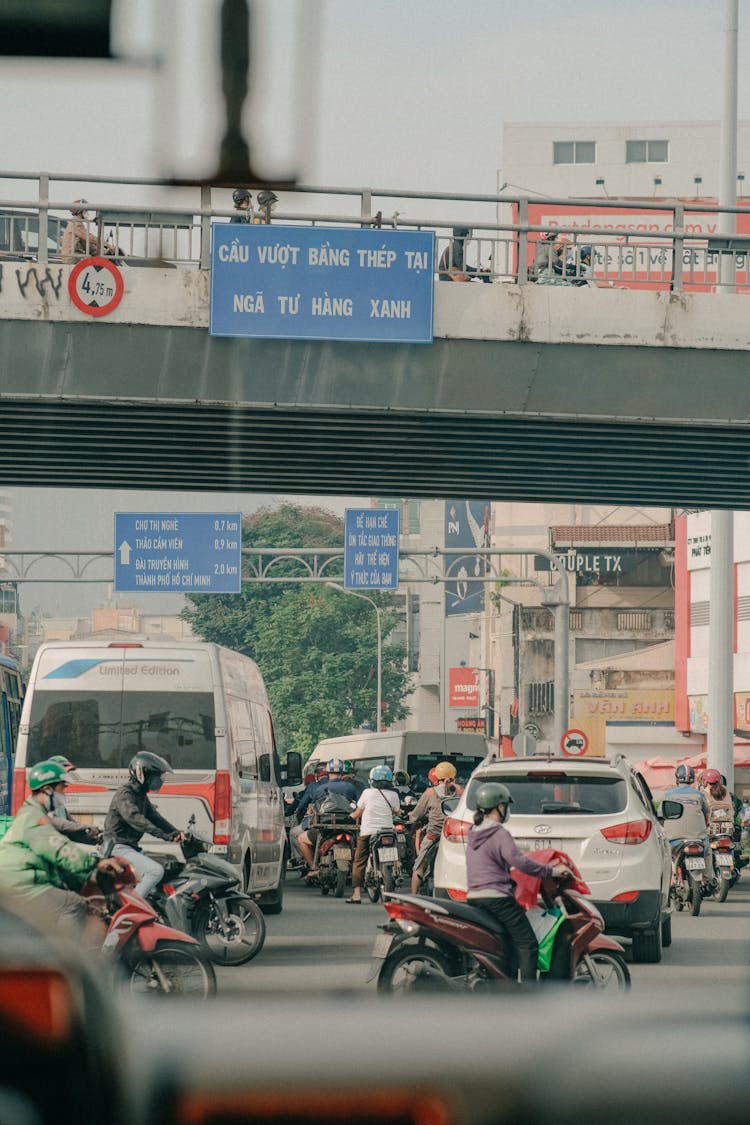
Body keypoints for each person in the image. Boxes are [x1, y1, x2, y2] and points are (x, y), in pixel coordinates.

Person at [0, 759, 124, 944]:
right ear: (47, 790)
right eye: (61, 789)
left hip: (27, 879)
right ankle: (66, 957)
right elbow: (59, 850)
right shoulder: (34, 819)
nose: (63, 794)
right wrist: (94, 864)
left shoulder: (36, 814)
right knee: (73, 903)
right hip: (18, 884)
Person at [466, 781, 570, 984]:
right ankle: (529, 995)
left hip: (475, 897)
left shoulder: (475, 832)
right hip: (497, 899)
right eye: (505, 806)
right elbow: (518, 861)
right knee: (528, 943)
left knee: (507, 942)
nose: (507, 810)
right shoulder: (498, 833)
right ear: (499, 807)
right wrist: (552, 870)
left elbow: (503, 856)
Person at [102, 751, 184, 899]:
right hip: (117, 847)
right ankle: (132, 908)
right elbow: (136, 819)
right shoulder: (125, 795)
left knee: (169, 866)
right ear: (143, 774)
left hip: (130, 848)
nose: (159, 780)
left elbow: (156, 818)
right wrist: (165, 836)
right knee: (155, 871)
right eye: (156, 776)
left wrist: (176, 832)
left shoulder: (141, 796)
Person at [293, 758, 359, 878]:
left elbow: (312, 808)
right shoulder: (350, 787)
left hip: (325, 829)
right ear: (342, 772)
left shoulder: (319, 789)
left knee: (301, 839)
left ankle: (314, 867)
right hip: (349, 827)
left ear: (328, 772)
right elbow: (358, 805)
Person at [346, 764, 401, 903]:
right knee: (394, 852)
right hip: (387, 831)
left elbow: (358, 812)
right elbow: (397, 812)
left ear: (372, 780)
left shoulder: (367, 793)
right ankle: (397, 869)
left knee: (359, 860)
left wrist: (350, 816)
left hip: (368, 832)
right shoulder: (394, 795)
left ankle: (357, 894)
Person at [408, 762, 463, 894]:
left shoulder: (430, 792)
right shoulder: (461, 791)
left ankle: (414, 897)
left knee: (419, 866)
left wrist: (411, 817)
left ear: (436, 777)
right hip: (452, 836)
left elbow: (416, 815)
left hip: (434, 835)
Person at [45, 754, 102, 845]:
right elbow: (61, 825)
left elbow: (72, 829)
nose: (66, 783)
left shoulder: (60, 806)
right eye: (63, 776)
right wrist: (85, 827)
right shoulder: (44, 804)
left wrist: (97, 839)